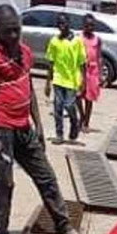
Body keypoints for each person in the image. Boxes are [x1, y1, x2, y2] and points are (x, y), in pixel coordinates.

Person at [0, 5, 82, 234]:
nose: (14, 36)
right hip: (3, 130)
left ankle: (63, 224)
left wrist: (38, 123)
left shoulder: (25, 53)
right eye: (8, 32)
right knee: (3, 183)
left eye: (17, 30)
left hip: (24, 128)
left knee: (46, 176)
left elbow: (30, 90)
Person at [45, 13, 86, 144]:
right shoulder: (54, 41)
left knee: (69, 105)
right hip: (58, 78)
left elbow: (82, 61)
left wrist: (83, 80)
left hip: (72, 79)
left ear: (69, 23)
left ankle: (75, 122)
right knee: (57, 107)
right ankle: (59, 134)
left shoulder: (77, 41)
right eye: (59, 24)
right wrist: (48, 82)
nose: (62, 26)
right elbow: (50, 62)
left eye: (64, 23)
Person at [77, 14, 102, 133]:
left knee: (89, 98)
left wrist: (100, 75)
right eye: (87, 25)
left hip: (93, 70)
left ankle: (86, 122)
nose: (90, 27)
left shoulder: (97, 39)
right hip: (81, 69)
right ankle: (81, 116)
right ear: (83, 25)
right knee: (77, 95)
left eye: (92, 25)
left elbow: (99, 57)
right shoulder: (78, 38)